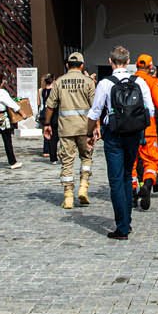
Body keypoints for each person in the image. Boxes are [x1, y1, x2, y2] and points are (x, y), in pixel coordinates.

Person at [86, 46, 154, 241]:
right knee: (127, 175)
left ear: (110, 61)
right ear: (128, 61)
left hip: (114, 134)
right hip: (133, 135)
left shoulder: (105, 83)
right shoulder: (139, 82)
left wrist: (89, 133)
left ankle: (122, 227)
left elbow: (95, 112)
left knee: (116, 180)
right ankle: (127, 221)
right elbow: (150, 110)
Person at [43, 52, 96, 209]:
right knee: (86, 157)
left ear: (67, 65)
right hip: (85, 127)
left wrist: (47, 124)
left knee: (67, 161)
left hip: (66, 128)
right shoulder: (88, 82)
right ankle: (83, 186)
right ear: (82, 65)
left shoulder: (59, 82)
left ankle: (68, 197)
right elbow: (95, 107)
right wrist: (96, 127)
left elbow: (50, 105)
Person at [132, 54, 158, 210]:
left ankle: (133, 192)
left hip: (131, 127)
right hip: (151, 127)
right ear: (150, 67)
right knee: (151, 161)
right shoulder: (154, 83)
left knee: (133, 163)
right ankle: (149, 184)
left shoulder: (129, 81)